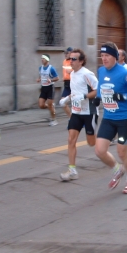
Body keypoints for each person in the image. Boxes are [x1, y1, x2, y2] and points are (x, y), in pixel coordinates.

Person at [94, 42, 127, 194]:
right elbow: (101, 86)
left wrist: (123, 96)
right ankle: (117, 169)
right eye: (102, 55)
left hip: (125, 119)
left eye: (107, 56)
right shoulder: (101, 71)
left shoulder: (125, 74)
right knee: (99, 150)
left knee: (122, 153)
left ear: (115, 57)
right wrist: (98, 98)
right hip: (109, 117)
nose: (104, 59)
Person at [59, 49, 99, 181]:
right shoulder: (72, 74)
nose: (71, 61)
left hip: (89, 112)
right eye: (70, 59)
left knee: (91, 143)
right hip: (76, 112)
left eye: (74, 59)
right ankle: (72, 170)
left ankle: (104, 140)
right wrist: (67, 98)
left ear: (81, 61)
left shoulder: (87, 74)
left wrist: (84, 96)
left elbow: (97, 91)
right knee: (71, 140)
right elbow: (76, 92)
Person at [37, 54, 59, 126]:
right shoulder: (40, 68)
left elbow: (57, 78)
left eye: (43, 58)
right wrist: (39, 79)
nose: (42, 60)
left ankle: (54, 120)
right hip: (43, 88)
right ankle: (51, 107)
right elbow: (41, 75)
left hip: (50, 88)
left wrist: (51, 80)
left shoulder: (51, 68)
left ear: (47, 60)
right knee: (41, 105)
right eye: (41, 58)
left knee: (50, 105)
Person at [60, 47, 74, 118]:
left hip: (73, 83)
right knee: (62, 102)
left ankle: (81, 121)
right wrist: (64, 77)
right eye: (64, 53)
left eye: (67, 53)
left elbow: (79, 70)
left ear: (71, 53)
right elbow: (65, 71)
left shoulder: (73, 61)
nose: (65, 54)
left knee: (76, 104)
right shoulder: (64, 61)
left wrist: (71, 71)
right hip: (66, 84)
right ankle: (71, 118)